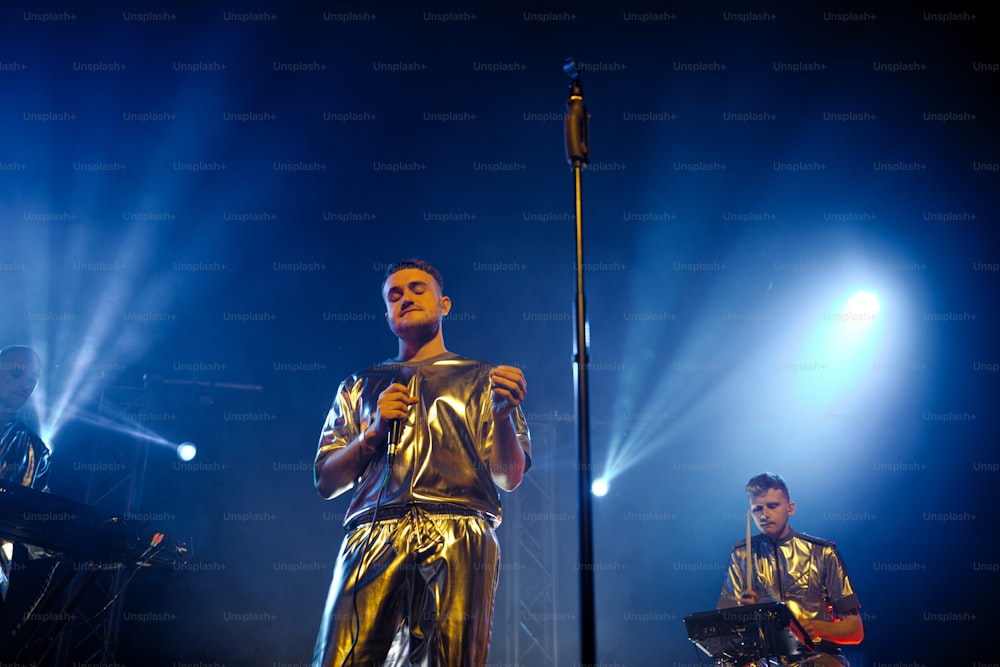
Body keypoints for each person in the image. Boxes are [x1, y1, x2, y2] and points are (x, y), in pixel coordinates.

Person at [312, 259, 531, 667]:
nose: (405, 298)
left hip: (460, 529)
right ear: (386, 314)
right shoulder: (360, 384)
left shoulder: (485, 378)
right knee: (340, 657)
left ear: (444, 304)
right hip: (373, 533)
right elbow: (325, 481)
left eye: (417, 289)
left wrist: (502, 416)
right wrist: (372, 433)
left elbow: (510, 477)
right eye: (394, 295)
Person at [717, 473, 863, 666]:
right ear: (750, 513)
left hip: (818, 657)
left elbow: (855, 630)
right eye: (757, 509)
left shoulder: (822, 553)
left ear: (790, 508)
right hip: (764, 660)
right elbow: (721, 634)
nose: (764, 514)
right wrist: (742, 613)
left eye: (772, 506)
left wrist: (815, 627)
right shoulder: (741, 557)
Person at [0, 345, 51, 606]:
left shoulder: (36, 450)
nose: (27, 385)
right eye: (17, 374)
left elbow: (36, 523)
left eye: (33, 379)